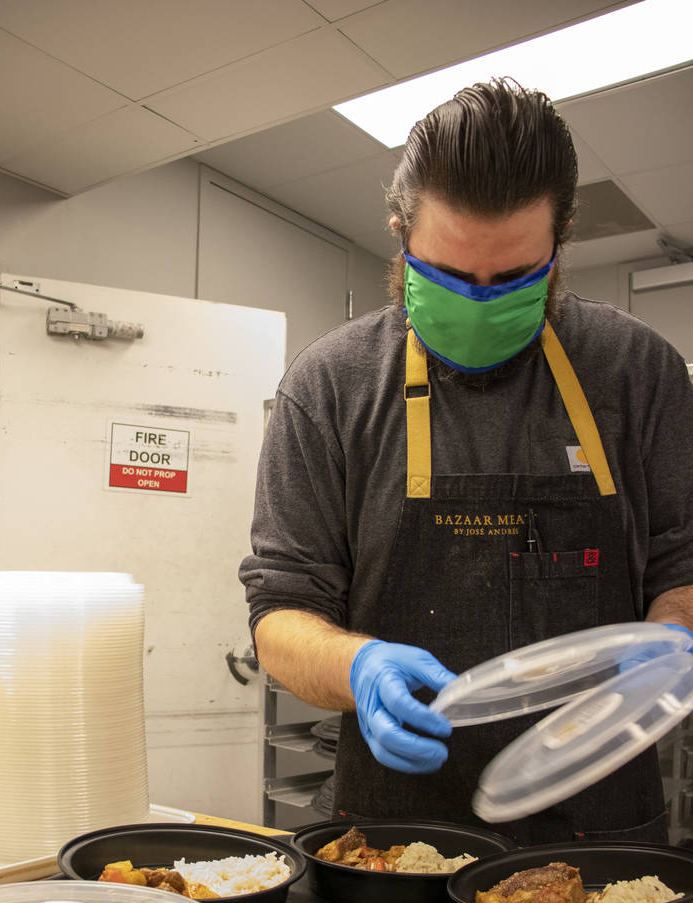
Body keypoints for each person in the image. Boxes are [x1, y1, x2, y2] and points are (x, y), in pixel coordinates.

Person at [239, 78, 693, 845]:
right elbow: (279, 615)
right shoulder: (331, 384)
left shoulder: (637, 371)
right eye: (449, 277)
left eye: (515, 278)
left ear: (562, 242)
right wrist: (358, 665)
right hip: (390, 835)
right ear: (400, 236)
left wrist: (671, 641)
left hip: (600, 824)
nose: (480, 300)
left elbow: (682, 566)